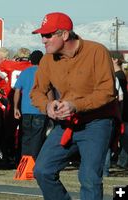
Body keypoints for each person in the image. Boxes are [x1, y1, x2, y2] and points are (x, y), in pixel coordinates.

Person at [30, 12, 118, 200]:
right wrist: (48, 106)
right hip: (67, 124)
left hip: (97, 122)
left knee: (89, 178)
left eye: (48, 35)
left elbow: (108, 92)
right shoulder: (47, 60)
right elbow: (36, 92)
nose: (43, 40)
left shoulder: (97, 51)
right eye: (42, 35)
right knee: (42, 170)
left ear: (64, 35)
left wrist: (75, 105)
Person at [14, 50, 48, 160]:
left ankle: (24, 162)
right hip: (40, 110)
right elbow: (49, 91)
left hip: (26, 111)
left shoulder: (24, 72)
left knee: (26, 137)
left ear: (30, 60)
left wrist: (15, 108)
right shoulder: (44, 73)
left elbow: (17, 91)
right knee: (37, 138)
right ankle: (34, 162)